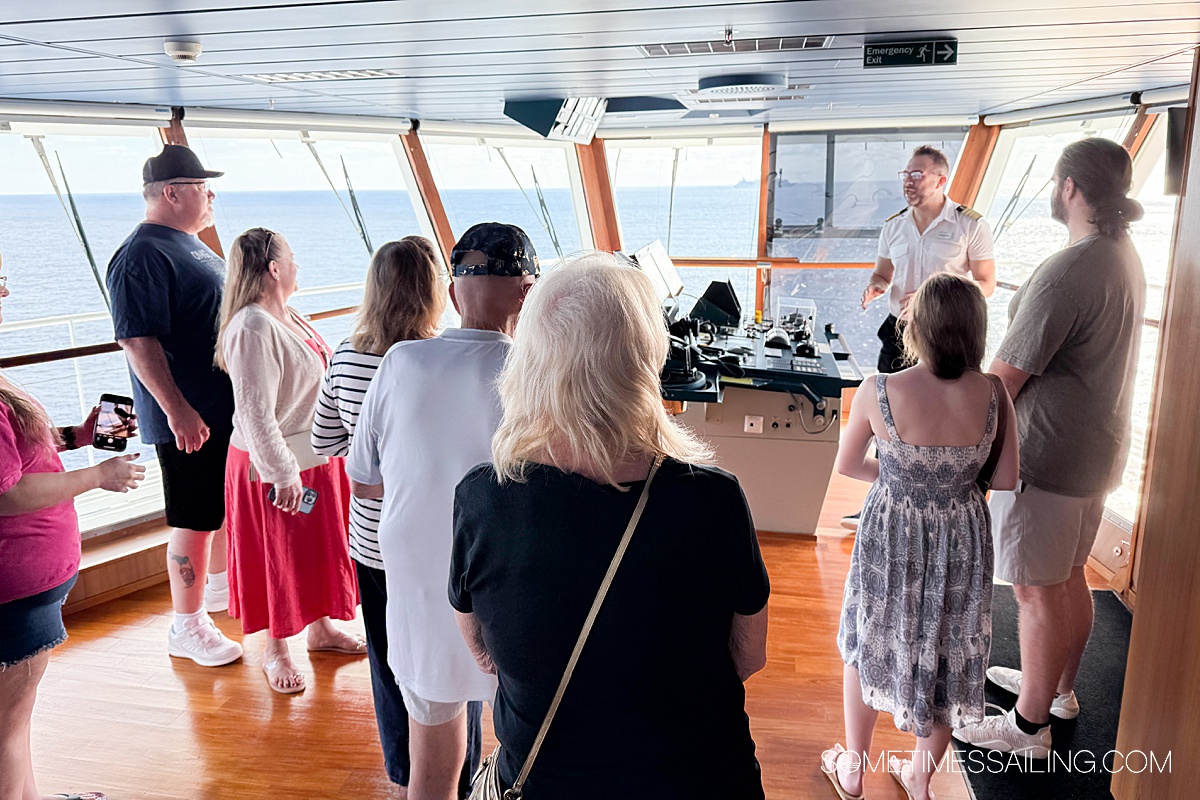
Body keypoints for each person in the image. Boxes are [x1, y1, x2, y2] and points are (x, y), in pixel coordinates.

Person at [450, 252, 770, 799]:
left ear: (530, 359)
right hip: (697, 780)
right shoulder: (713, 501)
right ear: (646, 360)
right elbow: (747, 656)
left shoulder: (482, 498)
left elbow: (481, 648)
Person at [953, 138, 1146, 758]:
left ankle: (1027, 727)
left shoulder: (1070, 268)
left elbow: (1005, 377)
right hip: (1096, 454)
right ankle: (1058, 692)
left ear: (1068, 188)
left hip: (1048, 458)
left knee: (1036, 589)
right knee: (1068, 578)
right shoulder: (1123, 256)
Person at [347, 222, 537, 800]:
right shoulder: (538, 374)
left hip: (419, 577)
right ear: (528, 295)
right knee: (527, 743)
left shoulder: (401, 362)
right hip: (512, 581)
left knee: (432, 755)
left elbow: (363, 481)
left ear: (453, 293)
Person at [826, 273, 1019, 800]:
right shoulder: (996, 395)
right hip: (961, 537)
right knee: (946, 653)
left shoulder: (879, 391)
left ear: (917, 328)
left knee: (868, 643)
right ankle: (919, 776)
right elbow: (1004, 480)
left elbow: (847, 464)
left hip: (893, 534)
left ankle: (853, 769)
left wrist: (898, 479)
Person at [310, 237, 483, 792]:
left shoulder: (346, 356)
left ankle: (406, 770)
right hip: (448, 535)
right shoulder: (444, 360)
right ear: (441, 291)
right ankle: (465, 765)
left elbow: (324, 438)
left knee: (393, 664)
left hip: (376, 538)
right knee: (460, 654)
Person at [0, 265, 146, 800]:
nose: (5, 289)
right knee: (7, 730)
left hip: (26, 583)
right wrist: (99, 475)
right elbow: (6, 494)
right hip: (15, 587)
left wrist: (78, 436)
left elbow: (14, 455)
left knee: (14, 726)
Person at [106, 144, 242, 666]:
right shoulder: (142, 253)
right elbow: (139, 341)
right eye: (203, 188)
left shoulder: (192, 245)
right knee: (194, 518)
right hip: (190, 417)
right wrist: (177, 410)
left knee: (216, 511)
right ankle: (185, 627)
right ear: (171, 193)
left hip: (219, 409)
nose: (212, 196)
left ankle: (217, 592)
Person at [216, 227, 364, 695]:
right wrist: (280, 474)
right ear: (274, 268)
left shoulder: (286, 316)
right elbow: (254, 412)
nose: (298, 265)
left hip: (312, 457)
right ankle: (276, 650)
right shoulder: (252, 326)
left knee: (315, 548)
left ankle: (320, 631)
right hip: (274, 466)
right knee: (278, 554)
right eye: (292, 258)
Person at [843, 144, 998, 531]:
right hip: (899, 332)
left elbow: (987, 284)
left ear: (941, 179)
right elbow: (882, 273)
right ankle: (882, 505)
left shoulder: (970, 225)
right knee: (887, 422)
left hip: (948, 335)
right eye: (905, 175)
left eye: (918, 174)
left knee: (948, 416)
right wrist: (875, 287)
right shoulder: (893, 226)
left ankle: (951, 506)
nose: (909, 182)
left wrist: (936, 289)